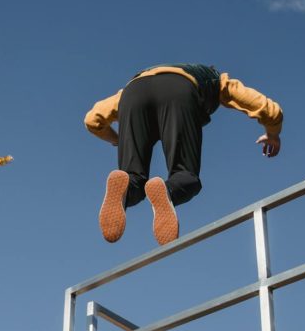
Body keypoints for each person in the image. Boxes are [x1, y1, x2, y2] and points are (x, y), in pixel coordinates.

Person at [84, 63, 283, 245]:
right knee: (185, 174)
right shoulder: (217, 81)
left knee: (132, 176)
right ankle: (169, 190)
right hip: (179, 91)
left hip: (133, 93)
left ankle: (127, 186)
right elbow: (266, 108)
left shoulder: (128, 90)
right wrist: (273, 133)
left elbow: (92, 120)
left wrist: (119, 139)